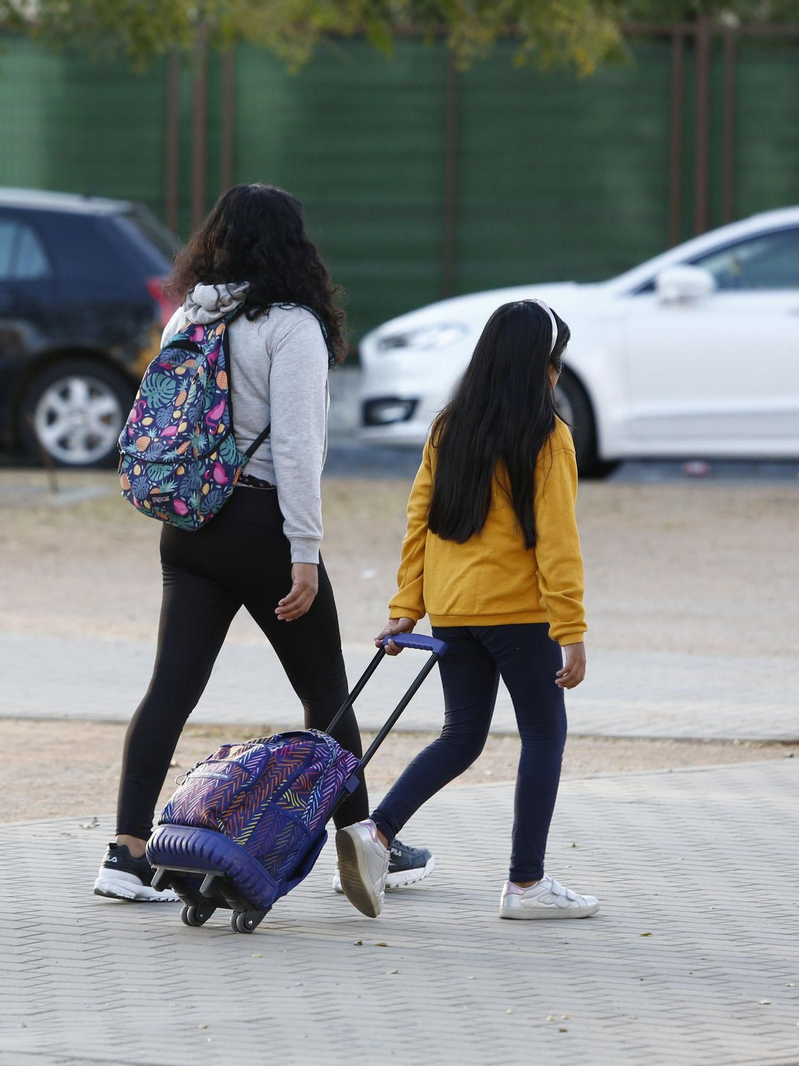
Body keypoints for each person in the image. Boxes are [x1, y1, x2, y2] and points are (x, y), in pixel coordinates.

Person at [94, 183, 435, 902]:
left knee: (170, 690)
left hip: (188, 526)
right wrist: (304, 553)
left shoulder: (190, 312)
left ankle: (125, 852)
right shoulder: (290, 326)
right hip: (261, 526)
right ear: (294, 245)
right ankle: (364, 845)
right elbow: (300, 449)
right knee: (326, 695)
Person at [335, 299, 598, 921]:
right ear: (537, 365)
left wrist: (407, 607)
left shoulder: (448, 425)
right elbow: (559, 543)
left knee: (462, 734)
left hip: (454, 611)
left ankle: (375, 834)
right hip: (517, 612)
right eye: (553, 359)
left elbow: (418, 520)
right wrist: (572, 630)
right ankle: (526, 884)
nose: (557, 371)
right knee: (543, 732)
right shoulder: (548, 437)